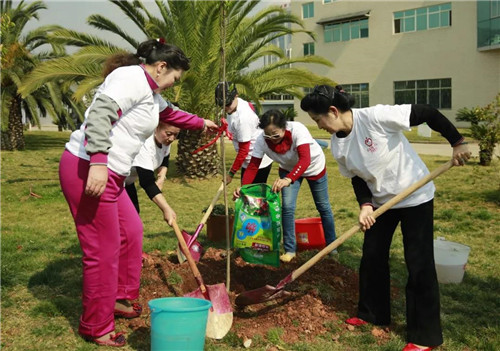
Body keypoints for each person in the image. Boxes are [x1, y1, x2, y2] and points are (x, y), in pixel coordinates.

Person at [59, 39, 217, 347]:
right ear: (161, 67)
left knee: (131, 231)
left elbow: (171, 114)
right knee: (101, 252)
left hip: (112, 176)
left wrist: (202, 123)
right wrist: (99, 163)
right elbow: (101, 114)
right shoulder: (130, 78)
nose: (174, 84)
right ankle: (96, 326)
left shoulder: (150, 91)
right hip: (88, 168)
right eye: (175, 77)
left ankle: (119, 298)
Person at [300, 85, 471, 351]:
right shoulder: (337, 144)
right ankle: (372, 313)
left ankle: (424, 337)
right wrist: (365, 205)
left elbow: (427, 112)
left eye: (318, 119)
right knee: (372, 257)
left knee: (419, 263)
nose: (318, 125)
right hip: (382, 204)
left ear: (333, 111)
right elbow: (358, 178)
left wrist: (457, 142)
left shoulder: (376, 117)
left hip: (415, 196)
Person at [233, 109, 337, 263]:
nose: (272, 139)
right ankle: (290, 250)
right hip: (288, 169)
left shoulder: (298, 130)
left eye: (276, 135)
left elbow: (305, 160)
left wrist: (288, 180)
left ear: (284, 127)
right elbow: (253, 166)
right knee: (287, 208)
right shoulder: (262, 140)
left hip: (314, 167)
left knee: (323, 206)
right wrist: (244, 188)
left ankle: (332, 248)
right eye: (268, 135)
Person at [215, 82, 273, 184]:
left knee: (252, 197)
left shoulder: (242, 119)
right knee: (246, 194)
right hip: (248, 161)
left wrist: (231, 174)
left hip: (257, 162)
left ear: (236, 95)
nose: (225, 108)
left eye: (228, 104)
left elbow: (244, 150)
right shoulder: (239, 103)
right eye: (222, 105)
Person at [124, 120, 179, 223]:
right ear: (156, 128)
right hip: (113, 183)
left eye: (175, 134)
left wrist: (161, 178)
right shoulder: (145, 145)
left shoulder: (165, 141)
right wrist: (166, 208)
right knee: (127, 222)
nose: (172, 138)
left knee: (133, 218)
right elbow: (147, 182)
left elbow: (165, 159)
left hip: (128, 183)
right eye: (168, 134)